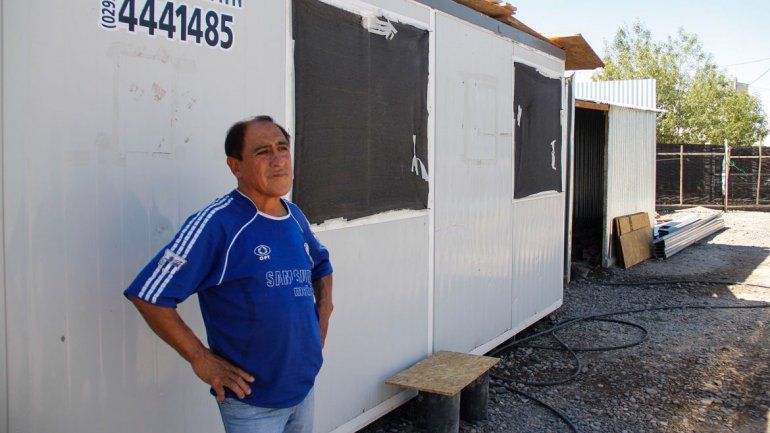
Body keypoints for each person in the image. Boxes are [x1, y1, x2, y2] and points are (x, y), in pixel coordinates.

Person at [124, 115, 333, 433]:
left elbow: (321, 265)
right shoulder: (218, 223)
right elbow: (149, 295)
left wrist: (324, 313)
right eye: (263, 152)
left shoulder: (295, 217)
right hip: (252, 403)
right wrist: (200, 358)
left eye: (282, 148)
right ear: (235, 166)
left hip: (304, 388)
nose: (278, 160)